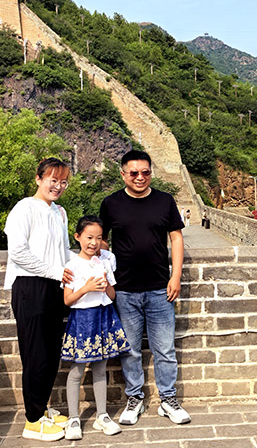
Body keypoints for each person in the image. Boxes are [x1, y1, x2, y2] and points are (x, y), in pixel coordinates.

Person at [99, 150, 191, 426]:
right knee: (130, 350)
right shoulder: (111, 203)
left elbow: (176, 239)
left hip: (160, 288)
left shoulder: (164, 201)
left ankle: (168, 399)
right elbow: (101, 241)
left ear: (151, 172)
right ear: (123, 174)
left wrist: (176, 277)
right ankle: (135, 398)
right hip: (124, 289)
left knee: (165, 349)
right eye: (134, 173)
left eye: (145, 172)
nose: (140, 177)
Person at [4, 158, 74, 442]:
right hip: (30, 287)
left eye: (63, 182)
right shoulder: (24, 208)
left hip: (55, 288)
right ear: (38, 179)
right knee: (35, 355)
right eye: (52, 180)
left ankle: (42, 408)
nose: (58, 186)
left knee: (50, 353)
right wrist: (54, 272)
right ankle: (32, 421)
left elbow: (65, 251)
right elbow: (18, 252)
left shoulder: (59, 212)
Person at [61, 215, 130, 439]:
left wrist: (106, 284)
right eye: (89, 237)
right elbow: (67, 300)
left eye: (99, 238)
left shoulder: (104, 262)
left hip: (104, 316)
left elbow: (112, 295)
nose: (94, 243)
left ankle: (102, 415)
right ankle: (73, 418)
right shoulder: (72, 265)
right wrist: (86, 288)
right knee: (77, 369)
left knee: (101, 368)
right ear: (78, 237)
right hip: (83, 319)